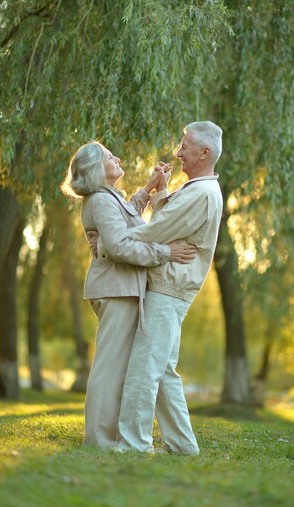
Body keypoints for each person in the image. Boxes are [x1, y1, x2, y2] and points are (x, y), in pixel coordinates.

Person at [60, 141, 196, 449]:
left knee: (117, 364)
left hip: (121, 288)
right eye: (109, 157)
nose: (117, 158)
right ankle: (99, 438)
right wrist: (166, 251)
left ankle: (107, 435)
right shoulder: (101, 200)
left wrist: (148, 189)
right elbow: (120, 246)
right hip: (116, 289)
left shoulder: (108, 198)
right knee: (110, 366)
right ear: (97, 169)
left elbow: (128, 216)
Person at [114, 120, 224, 455]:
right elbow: (168, 224)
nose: (178, 152)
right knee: (162, 371)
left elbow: (154, 231)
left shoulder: (202, 193)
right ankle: (181, 444)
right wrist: (162, 191)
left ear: (205, 152)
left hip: (167, 289)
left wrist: (112, 239)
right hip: (170, 287)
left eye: (185, 146)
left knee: (144, 368)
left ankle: (133, 444)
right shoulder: (197, 191)